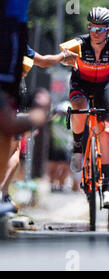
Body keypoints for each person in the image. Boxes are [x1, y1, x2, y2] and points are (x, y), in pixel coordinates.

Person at [68, 7, 109, 208]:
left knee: (106, 131)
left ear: (108, 29)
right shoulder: (79, 43)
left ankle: (107, 187)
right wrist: (66, 55)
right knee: (79, 107)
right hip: (81, 84)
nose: (95, 32)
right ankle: (77, 148)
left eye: (100, 29)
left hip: (104, 87)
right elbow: (64, 51)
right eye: (92, 27)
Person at [1, 0, 51, 211]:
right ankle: (2, 194)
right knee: (8, 136)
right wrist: (39, 112)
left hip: (12, 25)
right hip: (10, 25)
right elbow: (8, 124)